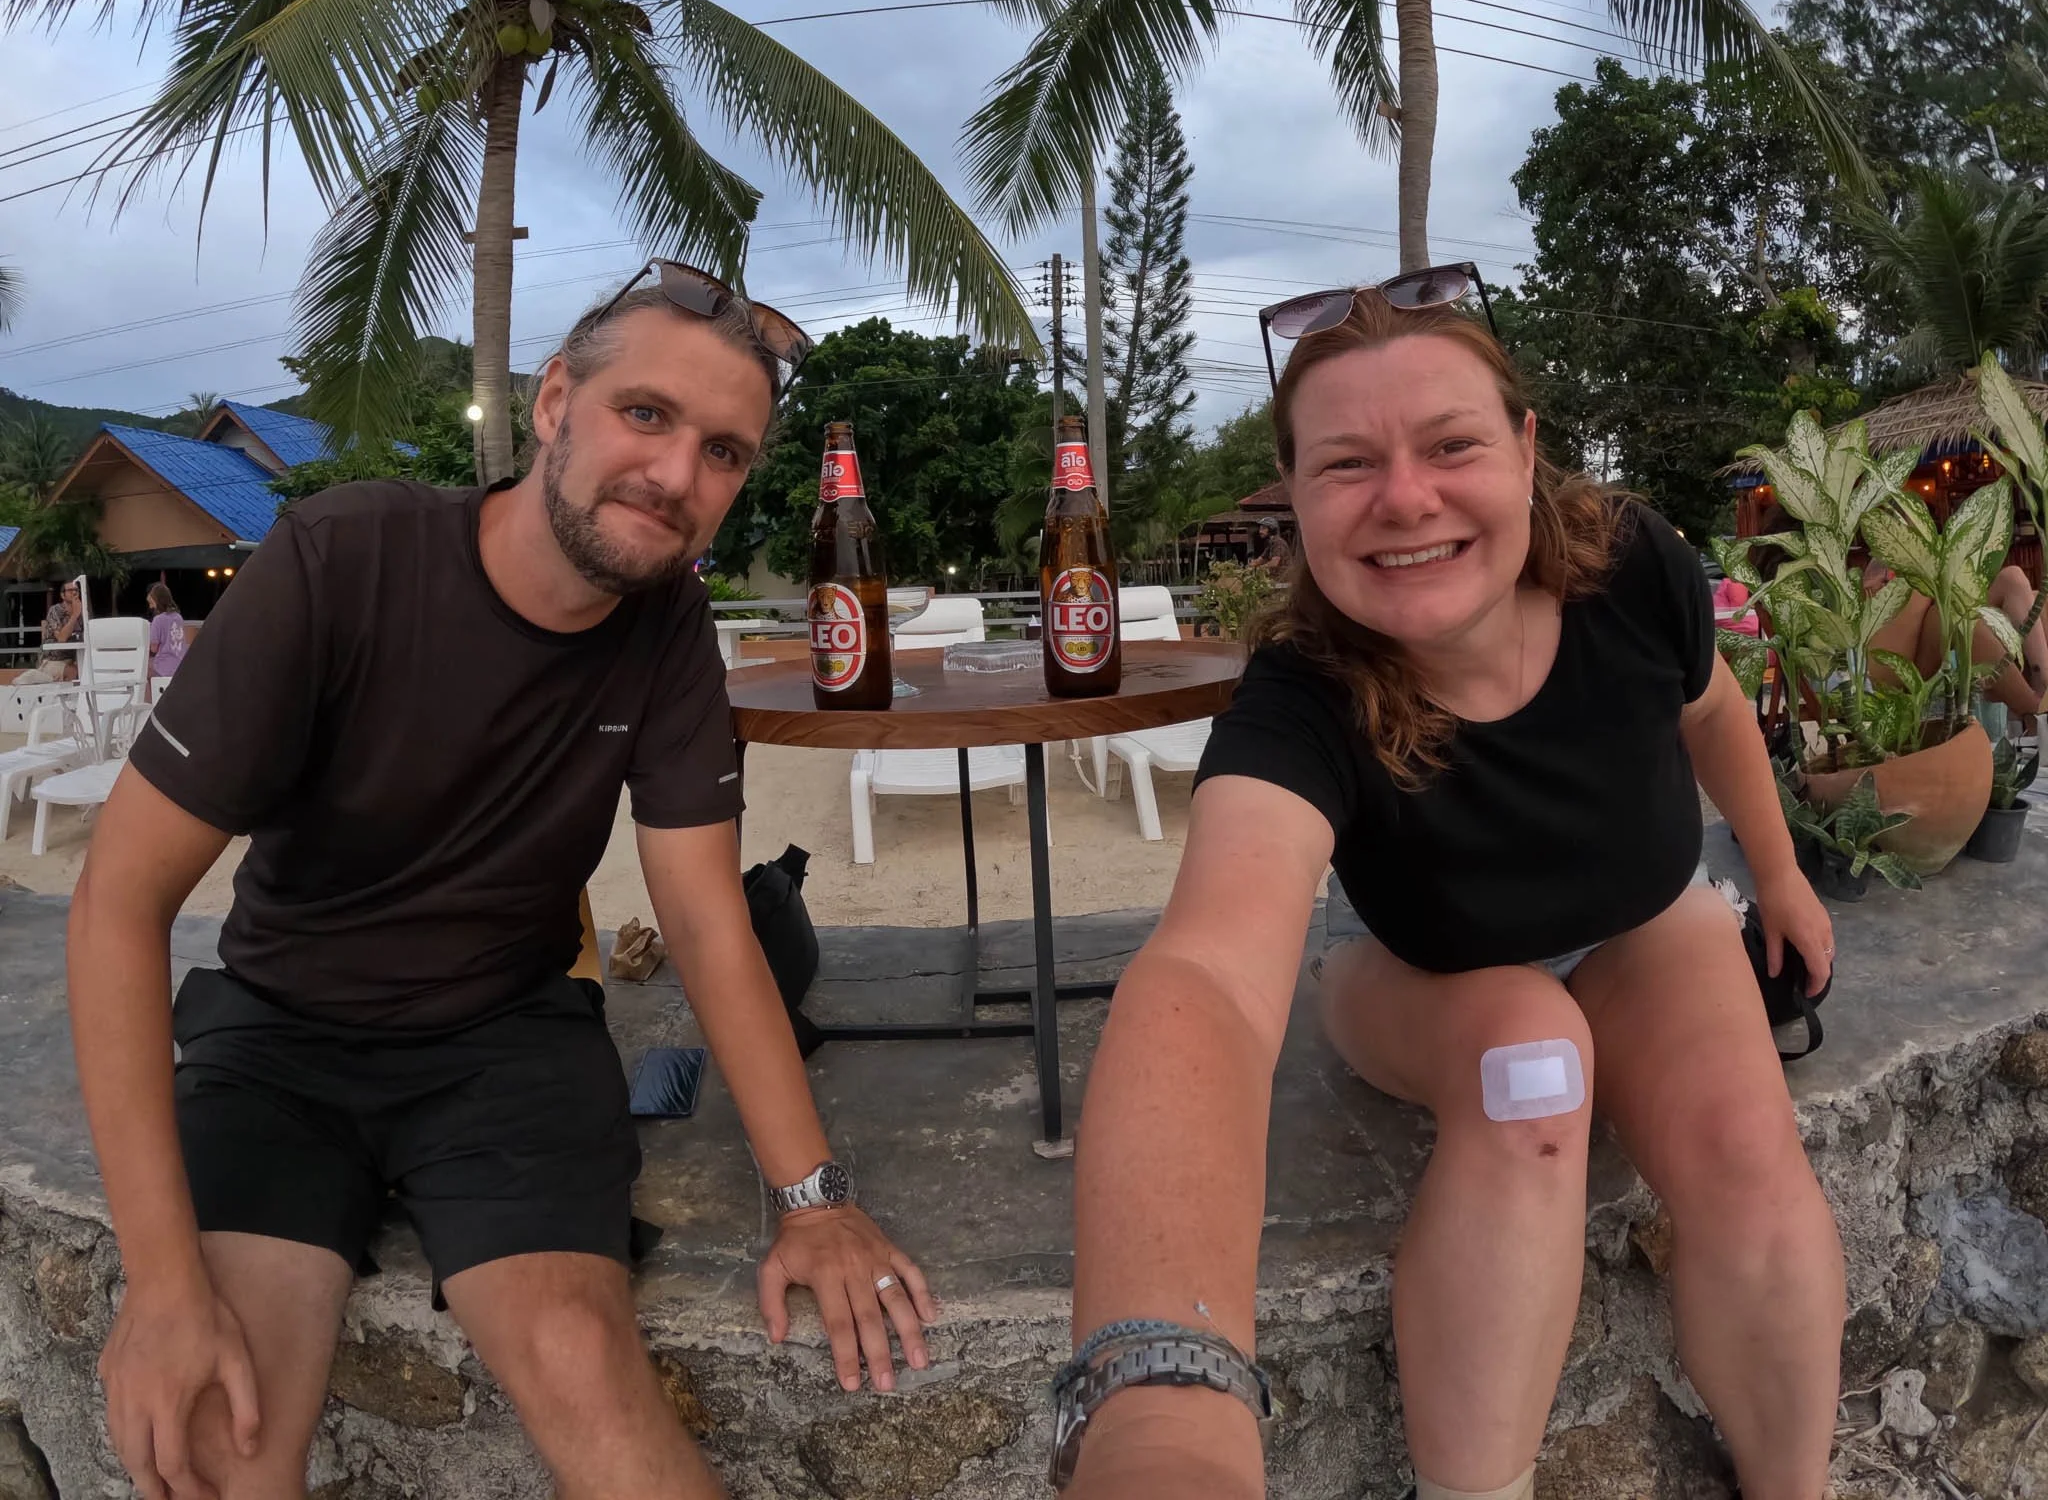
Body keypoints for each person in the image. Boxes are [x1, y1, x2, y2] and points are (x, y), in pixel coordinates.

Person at [68, 263, 935, 1500]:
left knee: (588, 1364)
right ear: (554, 404)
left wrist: (812, 1201)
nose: (678, 475)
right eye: (646, 415)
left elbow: (698, 915)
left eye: (724, 451)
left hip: (504, 1049)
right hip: (280, 1043)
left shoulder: (668, 635)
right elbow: (117, 900)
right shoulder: (341, 559)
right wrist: (160, 1286)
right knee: (219, 1437)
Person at [1059, 285, 1842, 1500]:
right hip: (1426, 972)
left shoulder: (1634, 567)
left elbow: (1711, 709)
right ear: (1298, 498)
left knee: (1744, 1146)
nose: (1405, 498)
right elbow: (1207, 972)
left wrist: (1779, 872)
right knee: (1531, 1067)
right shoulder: (1302, 690)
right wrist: (1161, 1400)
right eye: (1347, 463)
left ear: (1525, 448)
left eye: (1450, 444)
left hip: (1644, 922)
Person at [1864, 555, 2047, 723]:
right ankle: (2034, 715)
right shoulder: (1878, 572)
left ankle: (2044, 682)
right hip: (1896, 667)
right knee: (1963, 621)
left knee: (2015, 580)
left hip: (1924, 633)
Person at [12, 578, 83, 684]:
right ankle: (39, 676)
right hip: (53, 660)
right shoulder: (55, 611)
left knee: (84, 670)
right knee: (73, 672)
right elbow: (62, 638)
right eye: (70, 590)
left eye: (76, 590)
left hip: (74, 659)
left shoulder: (81, 612)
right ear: (62, 595)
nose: (74, 592)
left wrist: (78, 613)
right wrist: (74, 616)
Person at [145, 582, 188, 685]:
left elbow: (153, 648)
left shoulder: (158, 620)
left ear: (158, 601)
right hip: (180, 665)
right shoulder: (178, 617)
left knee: (142, 673)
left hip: (164, 667)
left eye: (152, 603)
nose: (151, 607)